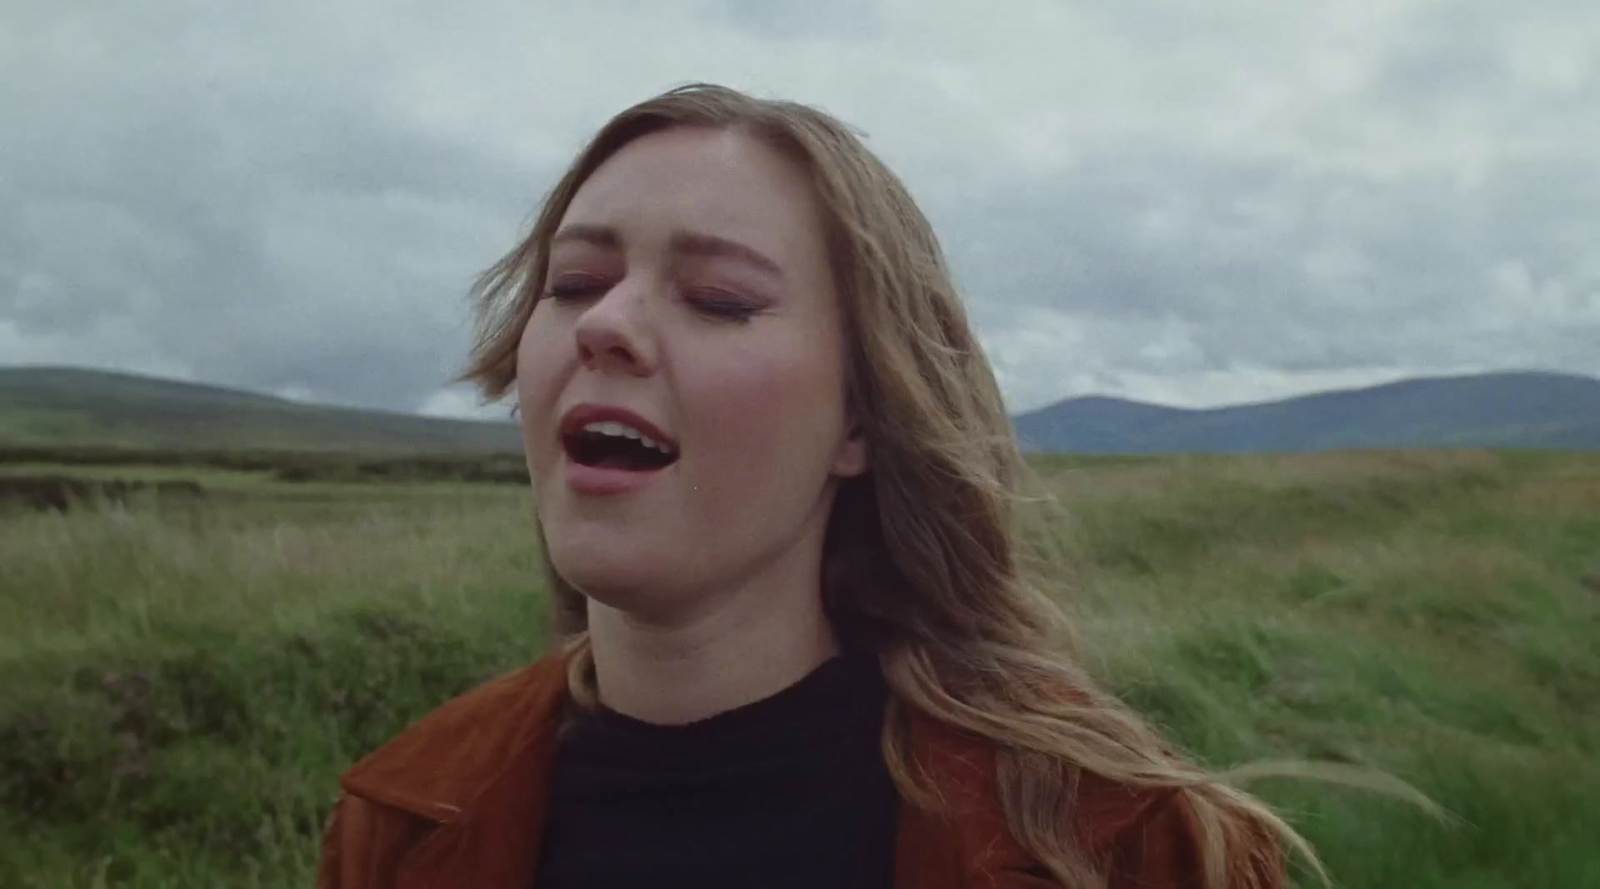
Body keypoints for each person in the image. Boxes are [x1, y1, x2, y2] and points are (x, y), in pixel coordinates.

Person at [315, 82, 1311, 888]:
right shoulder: (402, 820)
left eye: (717, 298)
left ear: (859, 420)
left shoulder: (1122, 844)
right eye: (572, 282)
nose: (603, 322)